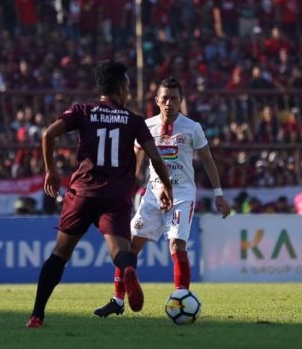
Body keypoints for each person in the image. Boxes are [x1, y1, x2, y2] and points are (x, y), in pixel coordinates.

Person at [26, 60, 173, 328]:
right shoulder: (133, 120)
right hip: (115, 197)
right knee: (120, 251)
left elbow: (48, 134)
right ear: (121, 86)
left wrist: (51, 172)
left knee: (60, 254)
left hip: (82, 192)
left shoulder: (83, 111)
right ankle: (128, 270)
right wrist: (167, 187)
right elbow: (155, 156)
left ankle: (37, 315)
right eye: (127, 84)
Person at [93, 77, 231, 318]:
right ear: (156, 101)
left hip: (182, 195)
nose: (169, 103)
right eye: (165, 98)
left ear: (181, 101)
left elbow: (207, 159)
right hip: (153, 195)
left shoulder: (192, 128)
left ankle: (181, 299)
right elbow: (135, 160)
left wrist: (219, 194)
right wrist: (127, 185)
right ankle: (117, 300)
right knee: (129, 246)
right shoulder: (147, 127)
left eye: (174, 99)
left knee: (176, 245)